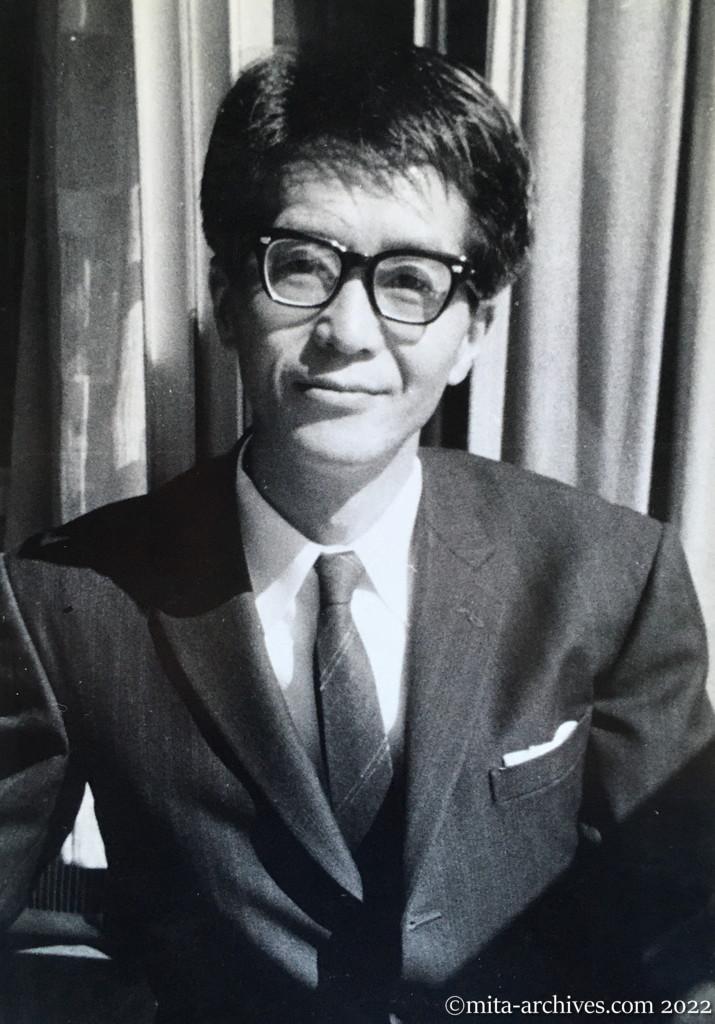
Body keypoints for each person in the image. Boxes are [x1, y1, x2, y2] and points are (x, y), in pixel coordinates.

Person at [1, 44, 714, 1024]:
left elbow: (682, 954)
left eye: (410, 280)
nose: (347, 329)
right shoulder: (66, 602)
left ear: (473, 331)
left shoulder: (608, 576)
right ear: (225, 297)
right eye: (301, 265)